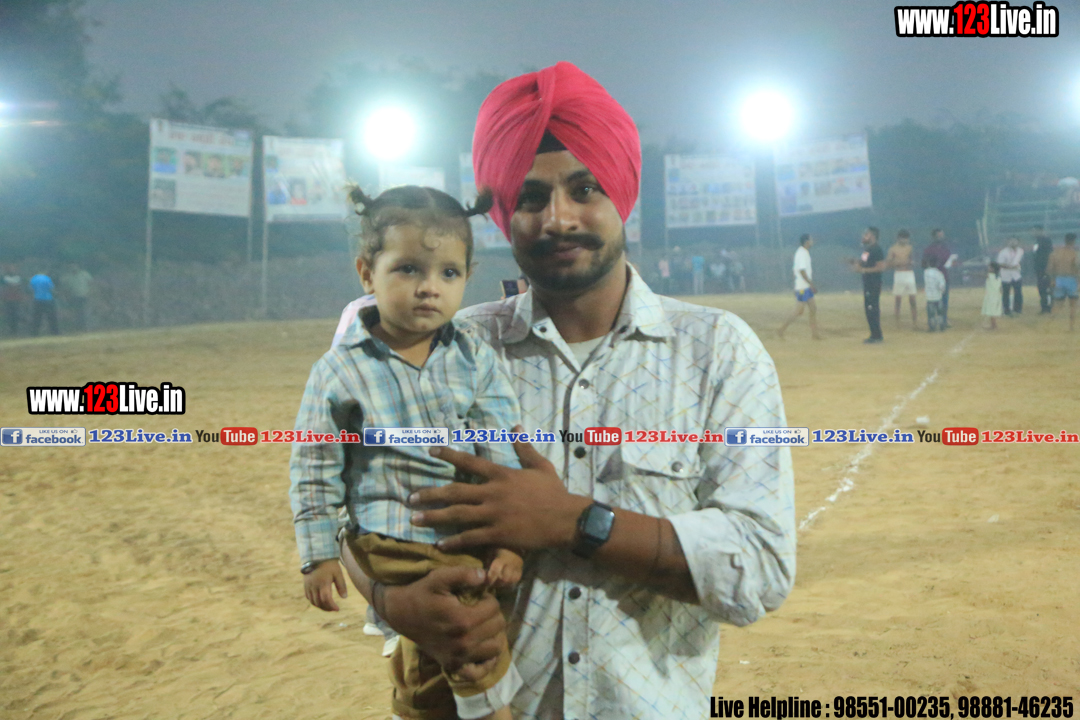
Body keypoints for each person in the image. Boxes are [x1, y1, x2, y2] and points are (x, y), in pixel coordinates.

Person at [339, 62, 795, 720]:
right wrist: (390, 600)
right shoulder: (443, 351)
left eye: (584, 189)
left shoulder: (717, 352)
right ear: (503, 214)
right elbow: (356, 509)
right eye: (530, 198)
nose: (557, 218)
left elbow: (759, 569)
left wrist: (575, 522)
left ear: (621, 193)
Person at [289, 184, 525, 720]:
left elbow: (501, 453)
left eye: (448, 273)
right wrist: (318, 554)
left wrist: (507, 542)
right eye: (408, 269)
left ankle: (416, 705)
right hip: (390, 542)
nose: (428, 288)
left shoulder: (474, 358)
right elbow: (315, 464)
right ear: (366, 273)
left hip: (465, 536)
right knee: (473, 645)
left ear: (467, 278)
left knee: (430, 667)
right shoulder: (341, 370)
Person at [777, 233, 821, 340]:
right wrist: (811, 284)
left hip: (804, 287)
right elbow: (802, 271)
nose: (812, 242)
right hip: (803, 288)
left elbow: (795, 271)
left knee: (813, 308)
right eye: (811, 240)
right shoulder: (802, 253)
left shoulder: (802, 252)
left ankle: (815, 334)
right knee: (798, 311)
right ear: (807, 242)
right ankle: (781, 330)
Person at [850, 227, 885, 343]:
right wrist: (854, 262)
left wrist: (863, 270)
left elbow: (880, 267)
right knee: (869, 309)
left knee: (872, 308)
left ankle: (876, 335)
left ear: (873, 236)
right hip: (868, 283)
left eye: (866, 234)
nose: (864, 236)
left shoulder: (877, 249)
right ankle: (874, 334)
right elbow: (862, 262)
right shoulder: (867, 250)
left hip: (873, 283)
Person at [1047, 232, 1079, 331]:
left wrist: (1052, 280)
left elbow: (1049, 269)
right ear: (1073, 241)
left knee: (1057, 304)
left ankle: (1049, 324)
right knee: (1073, 305)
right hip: (1071, 280)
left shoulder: (1055, 253)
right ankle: (1071, 327)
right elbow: (1077, 268)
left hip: (1059, 279)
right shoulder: (1074, 253)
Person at [886, 229, 917, 327]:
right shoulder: (893, 249)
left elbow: (912, 260)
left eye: (906, 238)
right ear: (899, 238)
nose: (905, 240)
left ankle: (915, 321)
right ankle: (897, 320)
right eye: (903, 238)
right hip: (899, 274)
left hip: (909, 273)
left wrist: (910, 263)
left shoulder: (910, 248)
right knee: (898, 299)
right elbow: (889, 262)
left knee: (912, 298)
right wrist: (898, 263)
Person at [922, 229, 953, 328]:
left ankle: (943, 321)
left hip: (944, 276)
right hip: (932, 278)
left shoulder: (946, 248)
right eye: (939, 235)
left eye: (942, 235)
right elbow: (924, 262)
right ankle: (932, 322)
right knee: (931, 301)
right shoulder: (929, 249)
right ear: (934, 236)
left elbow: (949, 260)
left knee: (944, 301)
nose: (941, 237)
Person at [996, 237, 1024, 316]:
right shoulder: (1003, 252)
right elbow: (1000, 264)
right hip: (1006, 275)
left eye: (1014, 241)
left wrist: (1016, 267)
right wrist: (1010, 267)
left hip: (1016, 274)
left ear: (1018, 242)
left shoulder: (1020, 251)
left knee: (1018, 292)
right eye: (1011, 241)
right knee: (1006, 293)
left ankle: (1018, 309)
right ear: (1008, 242)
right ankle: (1006, 310)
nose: (1013, 242)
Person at [63, 263, 93, 332]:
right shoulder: (68, 277)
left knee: (86, 312)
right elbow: (66, 289)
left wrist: (90, 293)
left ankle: (88, 328)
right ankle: (78, 328)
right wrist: (67, 297)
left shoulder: (85, 274)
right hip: (74, 297)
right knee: (76, 313)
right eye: (71, 266)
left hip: (85, 296)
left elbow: (91, 284)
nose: (73, 267)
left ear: (78, 266)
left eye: (75, 266)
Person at [29, 270, 59, 336]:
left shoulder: (33, 279)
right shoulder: (47, 278)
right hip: (48, 299)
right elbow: (51, 288)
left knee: (37, 317)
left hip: (37, 299)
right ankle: (55, 332)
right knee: (51, 317)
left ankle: (34, 333)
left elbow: (31, 289)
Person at [1032, 226, 1054, 314]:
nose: (1033, 233)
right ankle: (1045, 307)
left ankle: (1049, 307)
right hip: (1039, 269)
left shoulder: (1046, 240)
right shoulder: (1037, 241)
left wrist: (1048, 268)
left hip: (1045, 268)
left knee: (1047, 288)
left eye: (1035, 231)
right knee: (1042, 288)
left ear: (1040, 231)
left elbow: (1048, 255)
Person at [923, 258, 946, 332]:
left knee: (931, 314)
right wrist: (942, 291)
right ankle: (941, 326)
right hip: (938, 296)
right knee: (940, 313)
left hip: (929, 297)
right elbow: (942, 286)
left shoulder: (926, 272)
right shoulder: (939, 273)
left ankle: (932, 327)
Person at [2, 263, 24, 337]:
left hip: (16, 300)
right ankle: (10, 330)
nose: (12, 270)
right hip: (8, 300)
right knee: (9, 316)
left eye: (13, 268)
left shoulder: (18, 278)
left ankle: (15, 330)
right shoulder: (4, 279)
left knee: (16, 315)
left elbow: (20, 289)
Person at [982, 261, 1003, 330]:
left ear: (993, 269)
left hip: (991, 296)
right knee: (993, 310)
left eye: (990, 267)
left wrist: (970, 273)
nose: (988, 268)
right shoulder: (998, 277)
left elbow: (981, 275)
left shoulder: (990, 276)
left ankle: (993, 326)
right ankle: (993, 325)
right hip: (996, 295)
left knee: (992, 311)